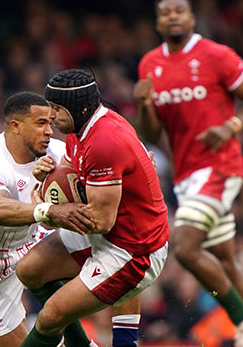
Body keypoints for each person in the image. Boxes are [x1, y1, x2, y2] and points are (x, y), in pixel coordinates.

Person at [135, 0, 243, 347]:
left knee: (184, 248)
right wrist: (144, 105)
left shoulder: (216, 55)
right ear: (157, 22)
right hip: (186, 175)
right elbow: (152, 133)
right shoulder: (149, 64)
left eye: (179, 10)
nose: (173, 17)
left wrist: (232, 127)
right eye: (165, 12)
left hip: (219, 167)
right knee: (225, 264)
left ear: (192, 17)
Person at [16, 69, 169, 347]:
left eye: (56, 109)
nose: (51, 116)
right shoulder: (80, 129)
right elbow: (68, 174)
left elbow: (101, 221)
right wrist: (47, 182)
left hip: (134, 248)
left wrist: (52, 212)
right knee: (29, 271)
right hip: (115, 231)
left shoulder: (104, 142)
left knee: (50, 316)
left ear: (78, 108)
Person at [0, 91, 99, 347]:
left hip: (34, 242)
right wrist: (49, 210)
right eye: (40, 123)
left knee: (115, 251)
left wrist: (138, 159)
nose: (49, 130)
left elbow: (100, 157)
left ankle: (107, 340)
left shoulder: (56, 152)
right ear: (15, 126)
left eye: (50, 123)